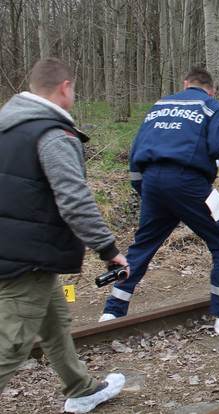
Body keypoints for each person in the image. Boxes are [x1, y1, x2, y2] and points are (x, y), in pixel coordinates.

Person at [0, 58, 128, 413]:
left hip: (14, 248)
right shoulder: (52, 133)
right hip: (26, 256)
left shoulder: (6, 126)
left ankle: (81, 387)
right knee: (12, 343)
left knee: (55, 319)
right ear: (65, 88)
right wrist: (107, 248)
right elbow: (74, 199)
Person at [100, 68, 219, 336]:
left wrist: (145, 190)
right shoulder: (212, 107)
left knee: (142, 246)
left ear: (185, 85)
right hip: (189, 184)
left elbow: (135, 151)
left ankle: (112, 312)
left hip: (151, 182)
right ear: (211, 89)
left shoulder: (159, 107)